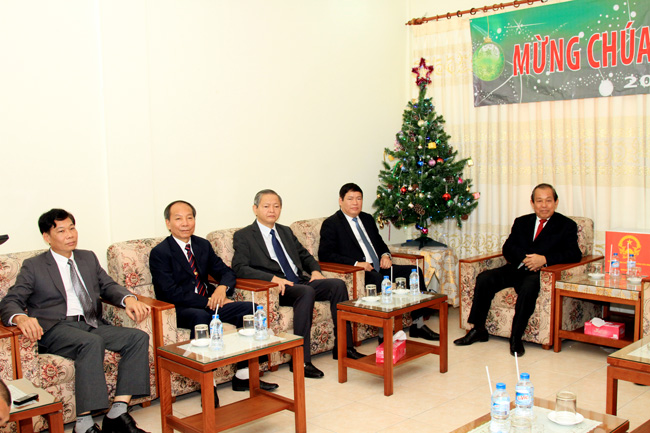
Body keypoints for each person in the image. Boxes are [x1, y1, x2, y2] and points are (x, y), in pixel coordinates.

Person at [0, 209, 151, 433]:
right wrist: (20, 317)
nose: (70, 234)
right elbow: (10, 301)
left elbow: (108, 285)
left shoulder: (87, 257)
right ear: (47, 237)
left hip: (91, 323)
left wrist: (128, 298)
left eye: (72, 228)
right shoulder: (34, 266)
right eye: (61, 231)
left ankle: (118, 412)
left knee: (137, 337)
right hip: (56, 328)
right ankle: (83, 424)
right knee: (91, 343)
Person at [149, 200, 278, 405]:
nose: (185, 223)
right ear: (168, 223)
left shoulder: (201, 245)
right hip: (181, 308)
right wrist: (207, 300)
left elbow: (226, 272)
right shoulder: (160, 253)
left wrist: (221, 288)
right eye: (178, 219)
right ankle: (208, 385)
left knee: (251, 310)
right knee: (200, 317)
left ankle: (244, 375)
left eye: (189, 218)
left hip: (211, 302)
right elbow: (169, 292)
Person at [232, 189, 365, 379]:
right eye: (266, 206)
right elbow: (239, 267)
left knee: (337, 285)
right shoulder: (244, 235)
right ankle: (301, 360)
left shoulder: (285, 231)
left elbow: (305, 256)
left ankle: (345, 347)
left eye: (276, 206)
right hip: (278, 288)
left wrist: (315, 271)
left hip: (299, 281)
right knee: (306, 292)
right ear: (255, 209)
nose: (272, 210)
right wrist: (271, 279)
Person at [454, 184, 582, 356]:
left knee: (529, 288)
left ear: (556, 202)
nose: (544, 205)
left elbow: (574, 254)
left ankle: (516, 337)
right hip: (516, 268)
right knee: (485, 278)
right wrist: (524, 258)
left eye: (548, 201)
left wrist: (544, 259)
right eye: (539, 201)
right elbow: (508, 247)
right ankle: (478, 329)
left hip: (540, 274)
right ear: (532, 203)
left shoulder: (567, 225)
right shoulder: (522, 222)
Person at [318, 183, 439, 341]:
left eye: (359, 198)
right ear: (341, 201)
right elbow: (325, 254)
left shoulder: (367, 219)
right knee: (379, 280)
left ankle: (418, 325)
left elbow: (380, 243)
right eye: (350, 199)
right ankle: (384, 335)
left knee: (413, 271)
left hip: (381, 267)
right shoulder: (332, 223)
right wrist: (355, 263)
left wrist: (385, 255)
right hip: (361, 273)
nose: (355, 203)